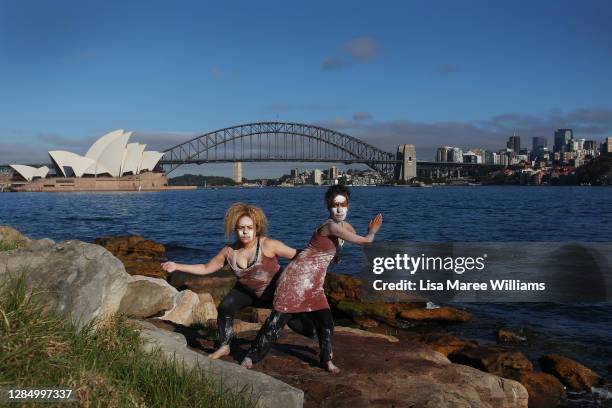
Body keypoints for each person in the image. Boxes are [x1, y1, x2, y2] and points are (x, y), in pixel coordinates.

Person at [241, 185, 383, 374]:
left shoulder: (346, 227)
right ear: (328, 207)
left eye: (343, 204)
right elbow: (365, 241)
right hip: (296, 278)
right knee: (276, 322)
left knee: (326, 322)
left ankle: (326, 360)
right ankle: (251, 356)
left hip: (314, 283)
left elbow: (333, 248)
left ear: (349, 205)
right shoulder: (330, 226)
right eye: (334, 205)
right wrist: (372, 231)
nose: (339, 209)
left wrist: (335, 255)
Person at [161, 202, 315, 360]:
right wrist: (176, 266)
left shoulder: (268, 245)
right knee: (226, 306)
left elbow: (297, 254)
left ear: (256, 228)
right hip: (247, 292)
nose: (245, 232)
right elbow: (206, 268)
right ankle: (224, 346)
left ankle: (320, 338)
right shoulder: (229, 251)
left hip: (274, 293)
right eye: (241, 228)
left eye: (250, 228)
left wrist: (325, 255)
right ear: (235, 229)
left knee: (299, 325)